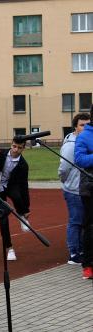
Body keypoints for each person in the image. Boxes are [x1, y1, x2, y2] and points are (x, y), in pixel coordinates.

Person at [0, 138, 29, 261]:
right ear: (11, 145)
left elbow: (24, 186)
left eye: (19, 147)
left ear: (23, 148)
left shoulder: (23, 165)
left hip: (11, 186)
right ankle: (9, 248)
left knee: (17, 195)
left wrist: (26, 208)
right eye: (14, 146)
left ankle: (22, 216)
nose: (16, 150)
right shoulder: (0, 153)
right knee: (3, 218)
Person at [59, 113, 91, 265]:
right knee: (76, 221)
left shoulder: (84, 141)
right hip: (73, 189)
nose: (85, 128)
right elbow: (64, 168)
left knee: (84, 220)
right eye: (82, 125)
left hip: (84, 188)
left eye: (87, 124)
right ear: (75, 127)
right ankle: (73, 252)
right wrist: (67, 182)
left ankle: (82, 249)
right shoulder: (70, 145)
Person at [75, 105, 93, 280]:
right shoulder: (84, 136)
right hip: (90, 188)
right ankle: (88, 265)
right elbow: (79, 159)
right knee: (90, 227)